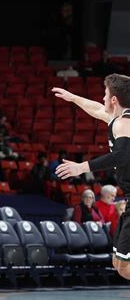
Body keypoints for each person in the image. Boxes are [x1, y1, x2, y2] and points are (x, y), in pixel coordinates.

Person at [53, 74, 130, 280]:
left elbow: (122, 156)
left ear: (114, 100)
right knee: (118, 263)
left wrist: (81, 168)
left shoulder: (124, 123)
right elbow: (96, 108)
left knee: (124, 267)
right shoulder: (118, 120)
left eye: (105, 95)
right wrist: (73, 97)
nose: (103, 98)